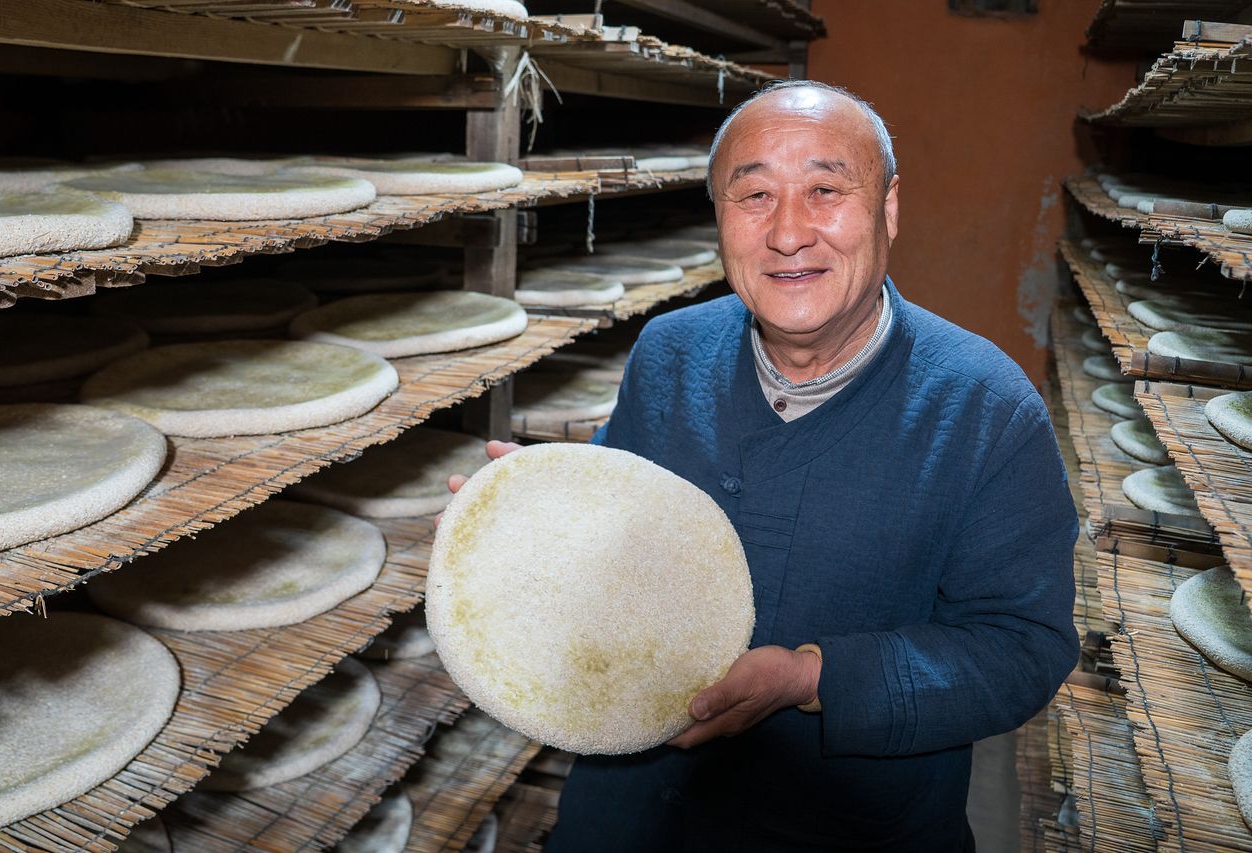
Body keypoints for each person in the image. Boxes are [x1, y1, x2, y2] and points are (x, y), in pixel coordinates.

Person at [451, 80, 1078, 852]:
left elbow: (1022, 648)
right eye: (753, 196)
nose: (787, 232)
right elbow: (628, 534)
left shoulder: (986, 409)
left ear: (886, 208)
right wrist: (546, 517)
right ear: (720, 215)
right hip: (632, 814)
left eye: (824, 190)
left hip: (849, 829)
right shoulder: (670, 352)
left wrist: (814, 678)